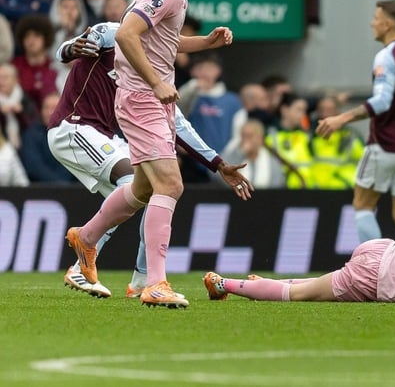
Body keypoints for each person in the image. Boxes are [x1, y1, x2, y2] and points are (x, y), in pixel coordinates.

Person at [64, 0, 253, 308]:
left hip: (144, 99)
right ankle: (155, 282)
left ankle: (87, 236)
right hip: (143, 98)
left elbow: (157, 39)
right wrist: (157, 82)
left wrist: (204, 42)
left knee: (144, 188)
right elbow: (126, 35)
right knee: (172, 185)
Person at [51, 21, 249, 298]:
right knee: (136, 182)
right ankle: (82, 262)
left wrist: (218, 163)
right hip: (73, 128)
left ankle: (141, 280)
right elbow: (64, 51)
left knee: (148, 192)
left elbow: (179, 126)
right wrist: (72, 47)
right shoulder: (112, 32)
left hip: (104, 136)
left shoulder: (155, 73)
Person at [315, 0, 395, 244]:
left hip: (384, 144)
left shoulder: (387, 55)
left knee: (363, 205)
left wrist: (342, 117)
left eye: (376, 18)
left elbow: (383, 101)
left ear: (388, 23)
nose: (372, 23)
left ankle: (372, 265)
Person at [203, 238, 395, 303]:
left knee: (321, 283)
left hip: (381, 247)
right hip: (379, 276)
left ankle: (264, 282)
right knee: (300, 294)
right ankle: (223, 283)